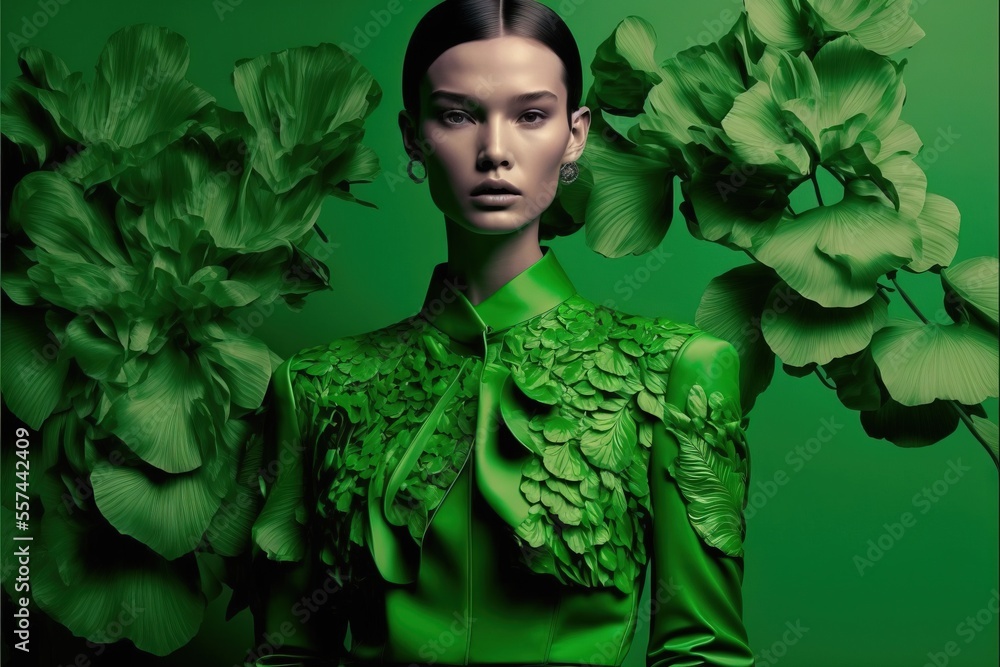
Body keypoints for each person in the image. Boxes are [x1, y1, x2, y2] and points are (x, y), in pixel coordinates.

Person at [249, 1, 754, 665]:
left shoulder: (678, 370)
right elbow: (287, 654)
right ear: (412, 136)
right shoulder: (313, 387)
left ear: (575, 135)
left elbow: (699, 653)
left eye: (531, 115)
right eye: (457, 115)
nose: (494, 151)